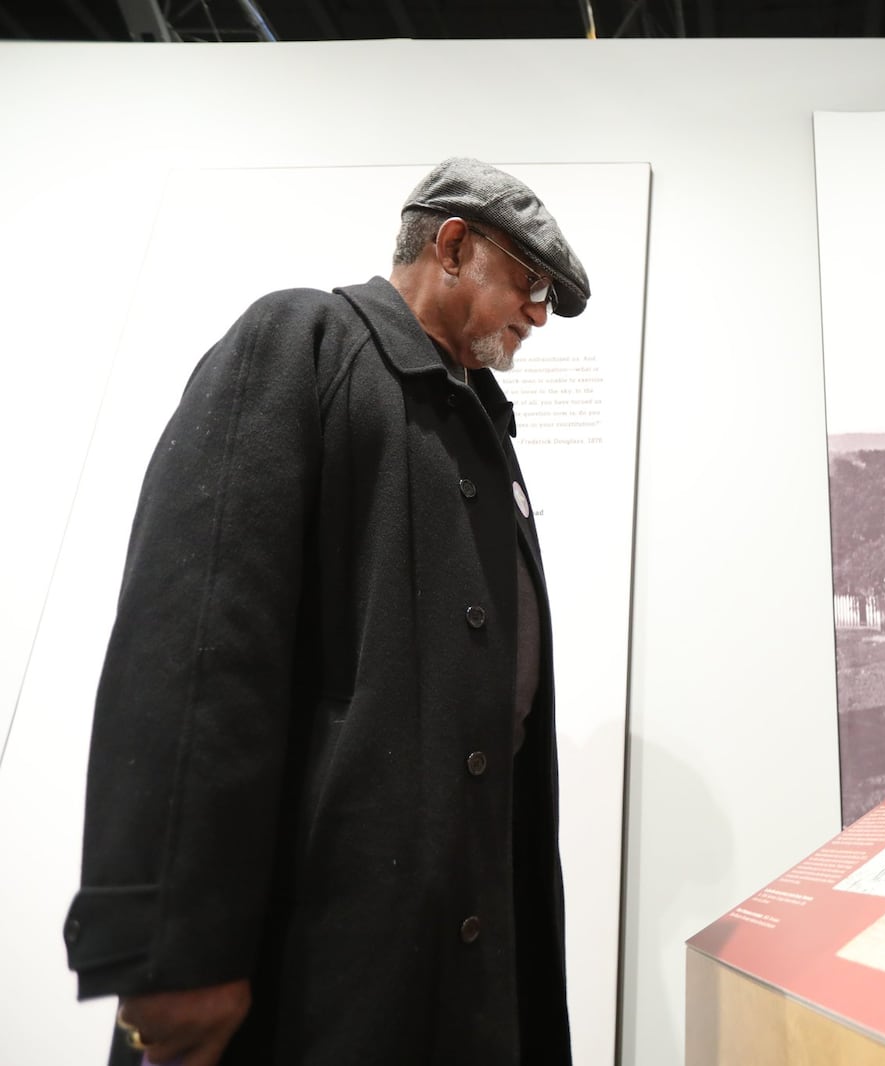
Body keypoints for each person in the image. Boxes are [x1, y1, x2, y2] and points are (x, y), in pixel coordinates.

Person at [62, 157, 590, 1066]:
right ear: (453, 245)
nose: (539, 313)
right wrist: (174, 944)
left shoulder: (475, 422)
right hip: (316, 958)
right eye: (531, 281)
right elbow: (197, 641)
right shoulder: (302, 339)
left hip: (445, 945)